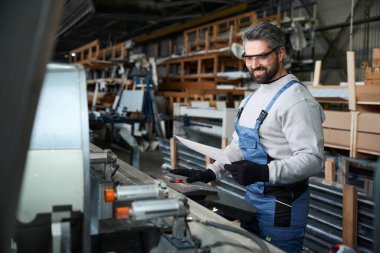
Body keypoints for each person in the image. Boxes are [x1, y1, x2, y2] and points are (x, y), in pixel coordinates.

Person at [172, 22, 325, 253]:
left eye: (262, 56)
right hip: (252, 198)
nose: (254, 65)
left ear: (280, 53)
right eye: (248, 58)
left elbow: (313, 160)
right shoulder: (250, 100)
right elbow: (238, 146)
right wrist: (210, 172)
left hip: (283, 205)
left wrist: (264, 172)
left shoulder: (297, 100)